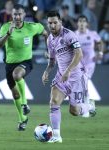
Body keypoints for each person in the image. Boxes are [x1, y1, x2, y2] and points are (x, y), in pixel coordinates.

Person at [42, 11, 95, 143]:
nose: (52, 25)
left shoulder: (69, 35)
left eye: (55, 22)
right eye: (50, 23)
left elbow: (79, 55)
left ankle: (89, 106)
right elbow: (52, 60)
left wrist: (68, 71)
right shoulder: (50, 39)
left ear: (60, 22)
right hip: (61, 76)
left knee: (75, 111)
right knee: (54, 102)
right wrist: (47, 71)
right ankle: (56, 136)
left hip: (76, 76)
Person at [0, 4, 48, 131]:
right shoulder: (6, 27)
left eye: (20, 14)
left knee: (17, 75)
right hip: (9, 64)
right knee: (15, 95)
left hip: (26, 62)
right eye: (15, 14)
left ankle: (25, 103)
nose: (17, 17)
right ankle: (22, 119)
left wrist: (49, 49)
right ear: (12, 15)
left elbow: (45, 32)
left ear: (24, 15)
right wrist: (8, 33)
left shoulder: (31, 27)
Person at [75, 15, 103, 102]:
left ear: (87, 23)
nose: (82, 23)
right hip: (78, 64)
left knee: (83, 79)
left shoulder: (92, 34)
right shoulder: (73, 35)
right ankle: (88, 102)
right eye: (80, 21)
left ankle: (87, 102)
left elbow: (100, 43)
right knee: (80, 83)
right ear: (77, 23)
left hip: (90, 62)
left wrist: (100, 53)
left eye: (84, 21)